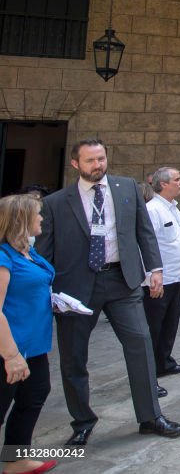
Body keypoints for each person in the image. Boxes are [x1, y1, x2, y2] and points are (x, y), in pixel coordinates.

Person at [36, 138, 180, 445]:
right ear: (76, 163)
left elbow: (144, 231)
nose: (98, 165)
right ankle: (83, 421)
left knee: (141, 345)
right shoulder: (56, 203)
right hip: (76, 288)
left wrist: (155, 269)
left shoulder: (126, 188)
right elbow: (44, 254)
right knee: (73, 358)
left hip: (122, 280)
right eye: (90, 161)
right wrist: (46, 292)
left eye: (101, 159)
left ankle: (150, 416)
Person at [0, 194, 56, 474]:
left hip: (33, 345)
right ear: (21, 219)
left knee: (34, 394)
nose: (42, 218)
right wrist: (10, 356)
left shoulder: (27, 251)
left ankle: (16, 458)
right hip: (10, 347)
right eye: (37, 214)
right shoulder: (2, 257)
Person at [143, 167, 180, 394]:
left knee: (170, 322)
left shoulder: (172, 208)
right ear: (163, 184)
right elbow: (146, 245)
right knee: (154, 326)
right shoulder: (152, 210)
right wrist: (152, 276)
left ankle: (164, 361)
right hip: (160, 280)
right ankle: (148, 374)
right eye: (177, 179)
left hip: (175, 276)